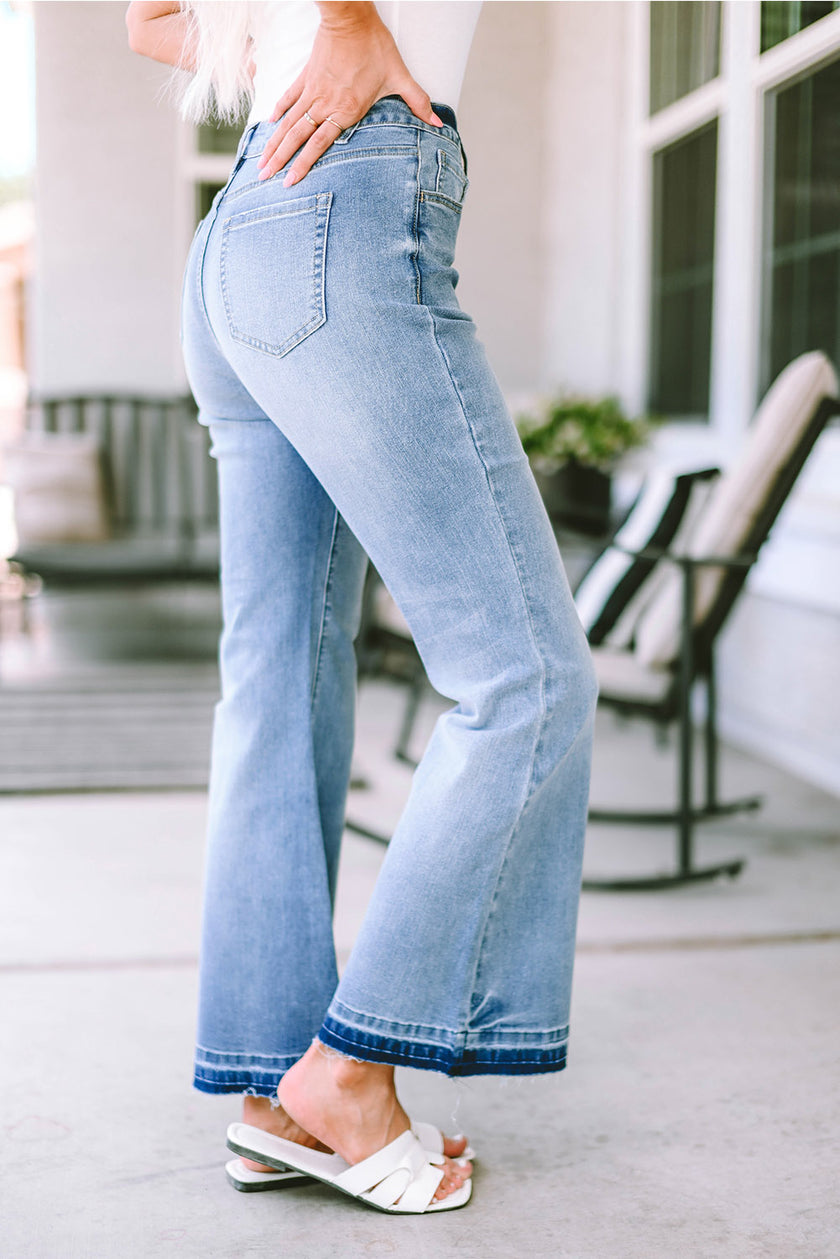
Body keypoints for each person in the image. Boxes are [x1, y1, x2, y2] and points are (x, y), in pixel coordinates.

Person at [126, 0, 598, 1215]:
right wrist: (341, 20)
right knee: (528, 678)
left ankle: (277, 1094)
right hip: (346, 201)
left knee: (278, 678)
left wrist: (298, 43)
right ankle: (345, 1070)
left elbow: (154, 20)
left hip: (250, 223)